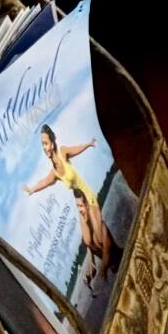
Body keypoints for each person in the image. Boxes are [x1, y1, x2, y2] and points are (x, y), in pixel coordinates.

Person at [24, 123, 116, 294]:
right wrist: (31, 189)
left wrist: (88, 144)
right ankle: (104, 264)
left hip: (88, 198)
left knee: (99, 236)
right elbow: (44, 182)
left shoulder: (63, 152)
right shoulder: (54, 173)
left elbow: (76, 149)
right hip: (79, 202)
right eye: (42, 144)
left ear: (52, 142)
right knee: (88, 241)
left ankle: (109, 260)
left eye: (46, 143)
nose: (44, 147)